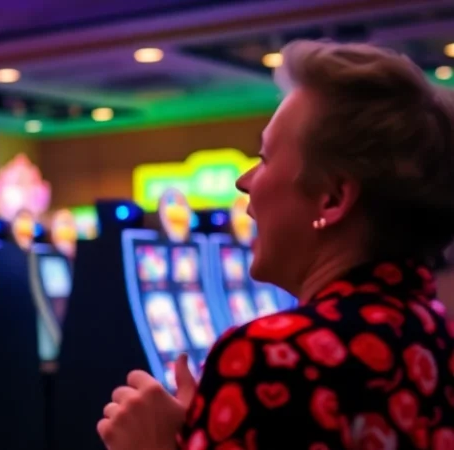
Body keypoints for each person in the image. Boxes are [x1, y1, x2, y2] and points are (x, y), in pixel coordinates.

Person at [97, 39, 454, 449]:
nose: (243, 182)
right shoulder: (432, 331)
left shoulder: (268, 357)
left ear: (333, 198)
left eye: (265, 158)